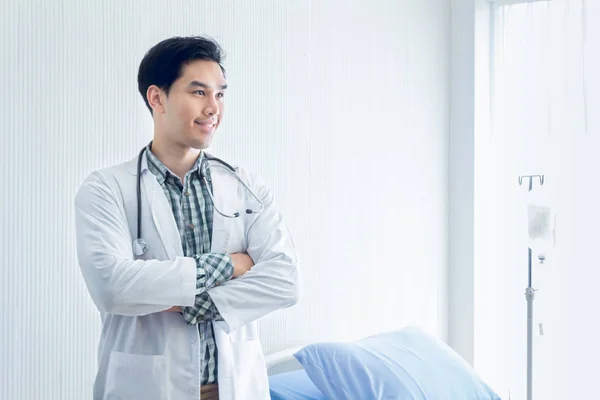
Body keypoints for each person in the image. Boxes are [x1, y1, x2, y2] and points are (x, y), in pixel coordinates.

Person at [74, 36, 300, 400]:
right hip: (147, 388)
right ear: (157, 98)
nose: (214, 108)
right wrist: (232, 264)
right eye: (198, 92)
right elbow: (112, 287)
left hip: (234, 386)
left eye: (220, 94)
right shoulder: (105, 189)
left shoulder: (244, 184)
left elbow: (285, 280)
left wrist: (186, 299)